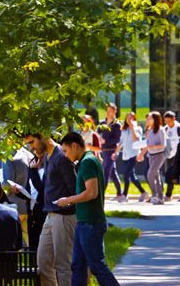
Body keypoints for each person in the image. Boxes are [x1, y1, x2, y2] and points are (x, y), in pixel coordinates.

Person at [54, 132, 119, 286]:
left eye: (65, 150)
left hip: (91, 222)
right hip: (84, 222)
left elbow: (92, 192)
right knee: (78, 265)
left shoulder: (88, 162)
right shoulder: (86, 160)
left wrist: (68, 200)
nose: (64, 155)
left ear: (75, 146)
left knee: (97, 266)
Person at [25, 132, 76, 286]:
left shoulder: (61, 157)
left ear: (43, 136)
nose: (31, 147)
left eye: (32, 142)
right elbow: (44, 189)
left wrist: (67, 205)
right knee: (43, 262)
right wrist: (32, 171)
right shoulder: (48, 156)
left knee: (63, 265)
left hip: (64, 216)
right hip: (50, 215)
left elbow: (75, 189)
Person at [118, 112, 147, 203]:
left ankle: (124, 195)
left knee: (126, 174)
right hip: (126, 155)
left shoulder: (138, 128)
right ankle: (143, 192)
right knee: (131, 176)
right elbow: (121, 142)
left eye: (131, 118)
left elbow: (136, 140)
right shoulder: (123, 129)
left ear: (134, 119)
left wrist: (132, 128)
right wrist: (116, 152)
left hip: (134, 154)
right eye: (128, 118)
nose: (129, 119)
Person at [98, 104, 125, 202]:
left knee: (105, 173)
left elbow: (117, 139)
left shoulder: (117, 124)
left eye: (110, 110)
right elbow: (98, 133)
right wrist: (99, 138)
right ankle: (120, 194)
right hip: (103, 151)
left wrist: (106, 141)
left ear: (115, 111)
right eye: (107, 110)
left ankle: (100, 195)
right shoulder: (103, 122)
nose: (108, 112)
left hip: (111, 151)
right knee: (112, 172)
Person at [140, 112, 167, 205]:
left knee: (150, 175)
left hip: (160, 155)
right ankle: (160, 197)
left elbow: (163, 145)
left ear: (155, 119)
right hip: (151, 155)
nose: (147, 120)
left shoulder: (161, 130)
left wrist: (152, 146)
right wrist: (141, 154)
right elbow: (147, 145)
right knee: (156, 176)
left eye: (150, 118)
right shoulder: (149, 130)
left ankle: (155, 195)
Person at [161, 111, 180, 202]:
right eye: (166, 121)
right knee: (170, 175)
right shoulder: (165, 129)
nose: (168, 123)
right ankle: (168, 195)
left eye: (169, 121)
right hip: (169, 155)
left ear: (174, 119)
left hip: (179, 155)